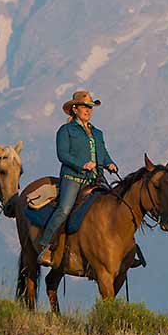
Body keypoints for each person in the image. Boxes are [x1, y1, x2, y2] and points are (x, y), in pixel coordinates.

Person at [38, 90, 117, 255]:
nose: (88, 110)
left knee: (113, 208)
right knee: (64, 209)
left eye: (90, 107)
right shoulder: (65, 130)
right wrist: (82, 164)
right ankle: (45, 245)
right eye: (84, 107)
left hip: (96, 179)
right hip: (73, 177)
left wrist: (110, 163)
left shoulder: (97, 133)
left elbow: (103, 152)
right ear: (75, 109)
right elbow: (62, 154)